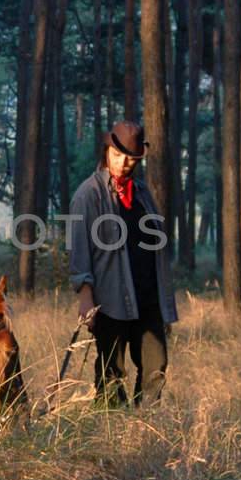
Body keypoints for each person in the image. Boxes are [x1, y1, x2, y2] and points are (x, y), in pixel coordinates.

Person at [66, 121, 178, 406]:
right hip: (110, 298)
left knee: (156, 367)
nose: (124, 163)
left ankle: (145, 425)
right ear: (107, 152)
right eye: (117, 155)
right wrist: (85, 297)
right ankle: (111, 431)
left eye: (131, 158)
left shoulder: (142, 193)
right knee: (111, 371)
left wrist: (164, 304)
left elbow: (157, 247)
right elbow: (79, 252)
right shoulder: (88, 194)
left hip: (147, 296)